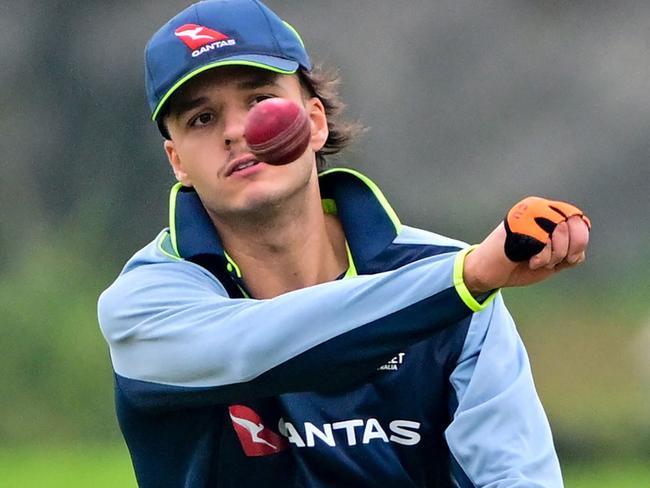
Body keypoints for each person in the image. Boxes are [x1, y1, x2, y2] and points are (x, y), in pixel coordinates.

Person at [98, 1, 590, 486]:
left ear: (314, 122)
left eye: (260, 101)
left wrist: (461, 280)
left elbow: (517, 477)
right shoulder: (144, 305)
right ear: (176, 160)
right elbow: (258, 348)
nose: (236, 131)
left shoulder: (450, 287)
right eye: (201, 119)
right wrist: (467, 278)